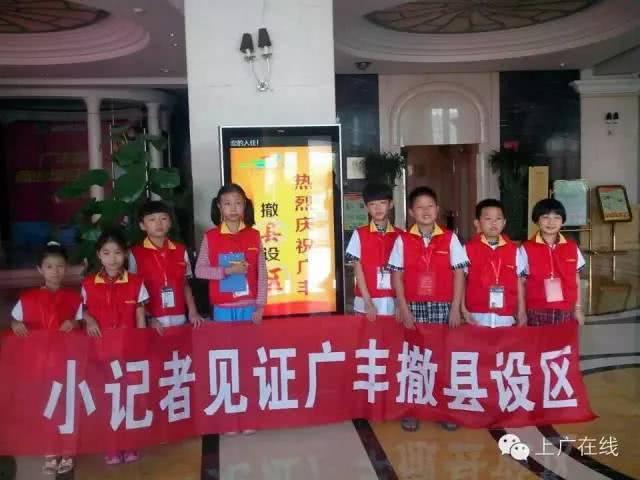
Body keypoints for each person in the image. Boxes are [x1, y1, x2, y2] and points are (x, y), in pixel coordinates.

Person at [388, 186, 468, 432]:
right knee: (414, 357)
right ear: (412, 212)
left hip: (443, 306)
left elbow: (459, 274)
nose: (425, 211)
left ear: (437, 209)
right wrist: (403, 307)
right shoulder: (402, 240)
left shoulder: (450, 238)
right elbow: (396, 276)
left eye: (430, 206)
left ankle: (442, 409)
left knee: (441, 358)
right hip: (414, 306)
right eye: (420, 207)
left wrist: (456, 308)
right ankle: (412, 410)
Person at [10, 241, 81, 475]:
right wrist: (16, 325)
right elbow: (15, 321)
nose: (55, 271)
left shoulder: (74, 298)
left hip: (67, 363)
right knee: (47, 406)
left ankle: (68, 451)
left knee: (67, 405)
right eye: (49, 266)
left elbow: (82, 322)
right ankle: (50, 451)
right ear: (40, 269)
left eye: (60, 266)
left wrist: (74, 323)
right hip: (40, 363)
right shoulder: (27, 299)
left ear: (66, 268)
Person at [81, 229, 149, 464]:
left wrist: (141, 343)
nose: (112, 258)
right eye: (107, 253)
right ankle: (110, 446)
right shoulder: (89, 284)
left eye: (118, 253)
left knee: (129, 397)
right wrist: (89, 320)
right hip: (101, 351)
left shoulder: (136, 282)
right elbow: (81, 310)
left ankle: (129, 444)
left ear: (126, 254)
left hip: (128, 351)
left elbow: (140, 314)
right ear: (99, 255)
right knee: (108, 398)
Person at [195, 183, 267, 324]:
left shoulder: (254, 235)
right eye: (227, 203)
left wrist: (260, 307)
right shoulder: (210, 236)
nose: (233, 208)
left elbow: (262, 272)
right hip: (222, 306)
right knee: (225, 339)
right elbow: (199, 271)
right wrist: (227, 271)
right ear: (219, 206)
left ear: (245, 205)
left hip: (249, 305)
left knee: (250, 339)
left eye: (238, 203)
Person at [129, 200, 203, 329]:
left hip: (179, 315)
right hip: (152, 320)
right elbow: (134, 291)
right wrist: (148, 318)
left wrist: (193, 311)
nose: (158, 223)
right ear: (142, 225)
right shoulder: (135, 253)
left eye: (163, 218)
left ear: (170, 223)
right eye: (152, 219)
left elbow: (185, 284)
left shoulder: (181, 250)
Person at [462, 199, 527, 328]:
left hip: (506, 317)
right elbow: (461, 281)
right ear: (477, 223)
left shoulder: (514, 250)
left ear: (504, 222)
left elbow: (519, 282)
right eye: (488, 219)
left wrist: (521, 311)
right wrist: (463, 310)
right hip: (476, 316)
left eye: (498, 219)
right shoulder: (468, 249)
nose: (493, 223)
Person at [521, 198, 585, 326]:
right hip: (537, 310)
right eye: (545, 217)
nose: (551, 222)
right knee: (538, 339)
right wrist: (522, 312)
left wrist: (578, 309)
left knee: (565, 339)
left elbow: (576, 280)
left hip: (567, 310)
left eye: (557, 217)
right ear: (537, 220)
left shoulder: (572, 247)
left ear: (562, 221)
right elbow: (521, 282)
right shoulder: (526, 248)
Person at [345, 183, 401, 320]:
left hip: (394, 301)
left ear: (391, 204)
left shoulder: (400, 235)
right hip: (366, 302)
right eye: (372, 204)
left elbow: (402, 272)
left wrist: (401, 302)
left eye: (382, 203)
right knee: (366, 334)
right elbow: (357, 269)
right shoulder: (359, 234)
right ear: (366, 207)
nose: (378, 208)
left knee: (393, 334)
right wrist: (367, 301)